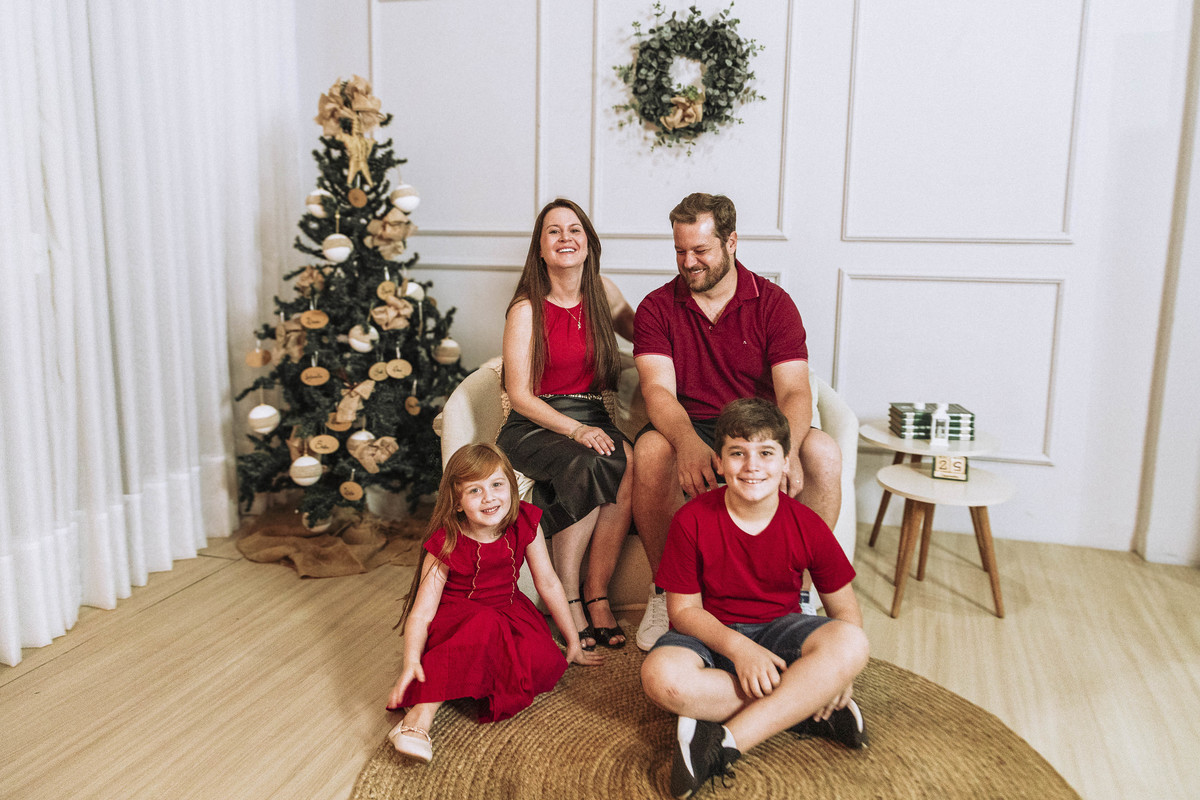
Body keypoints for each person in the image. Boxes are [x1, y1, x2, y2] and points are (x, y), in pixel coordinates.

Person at [632, 192, 843, 650]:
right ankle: (664, 592)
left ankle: (800, 594)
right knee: (649, 450)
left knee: (823, 453)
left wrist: (786, 449)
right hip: (692, 423)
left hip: (759, 427)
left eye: (700, 250)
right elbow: (657, 391)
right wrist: (686, 441)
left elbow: (795, 391)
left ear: (731, 242)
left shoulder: (774, 303)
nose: (688, 262)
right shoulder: (656, 307)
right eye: (680, 251)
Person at [640, 398, 869, 798]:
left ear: (786, 462)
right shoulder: (691, 520)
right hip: (708, 635)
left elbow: (845, 611)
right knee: (660, 677)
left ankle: (725, 743)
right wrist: (741, 650)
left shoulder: (807, 524)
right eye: (737, 453)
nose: (752, 466)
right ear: (719, 462)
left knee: (852, 643)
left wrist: (843, 674)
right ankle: (803, 708)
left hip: (780, 631)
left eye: (766, 453)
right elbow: (684, 611)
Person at [386, 443, 602, 763]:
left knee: (543, 660)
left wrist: (573, 641)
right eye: (475, 490)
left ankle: (464, 674)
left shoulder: (525, 520)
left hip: (509, 610)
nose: (489, 497)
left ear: (512, 489)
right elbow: (422, 613)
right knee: (485, 626)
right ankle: (420, 714)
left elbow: (548, 582)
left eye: (497, 484)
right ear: (456, 502)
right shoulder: (447, 540)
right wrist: (411, 661)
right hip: (459, 619)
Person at [496, 198, 636, 650]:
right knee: (590, 460)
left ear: (588, 242)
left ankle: (597, 593)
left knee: (629, 461)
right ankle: (569, 596)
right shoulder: (526, 309)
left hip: (593, 414)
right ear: (540, 248)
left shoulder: (604, 293)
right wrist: (574, 430)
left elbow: (649, 336)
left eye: (574, 229)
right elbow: (520, 394)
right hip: (535, 423)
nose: (565, 238)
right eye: (553, 231)